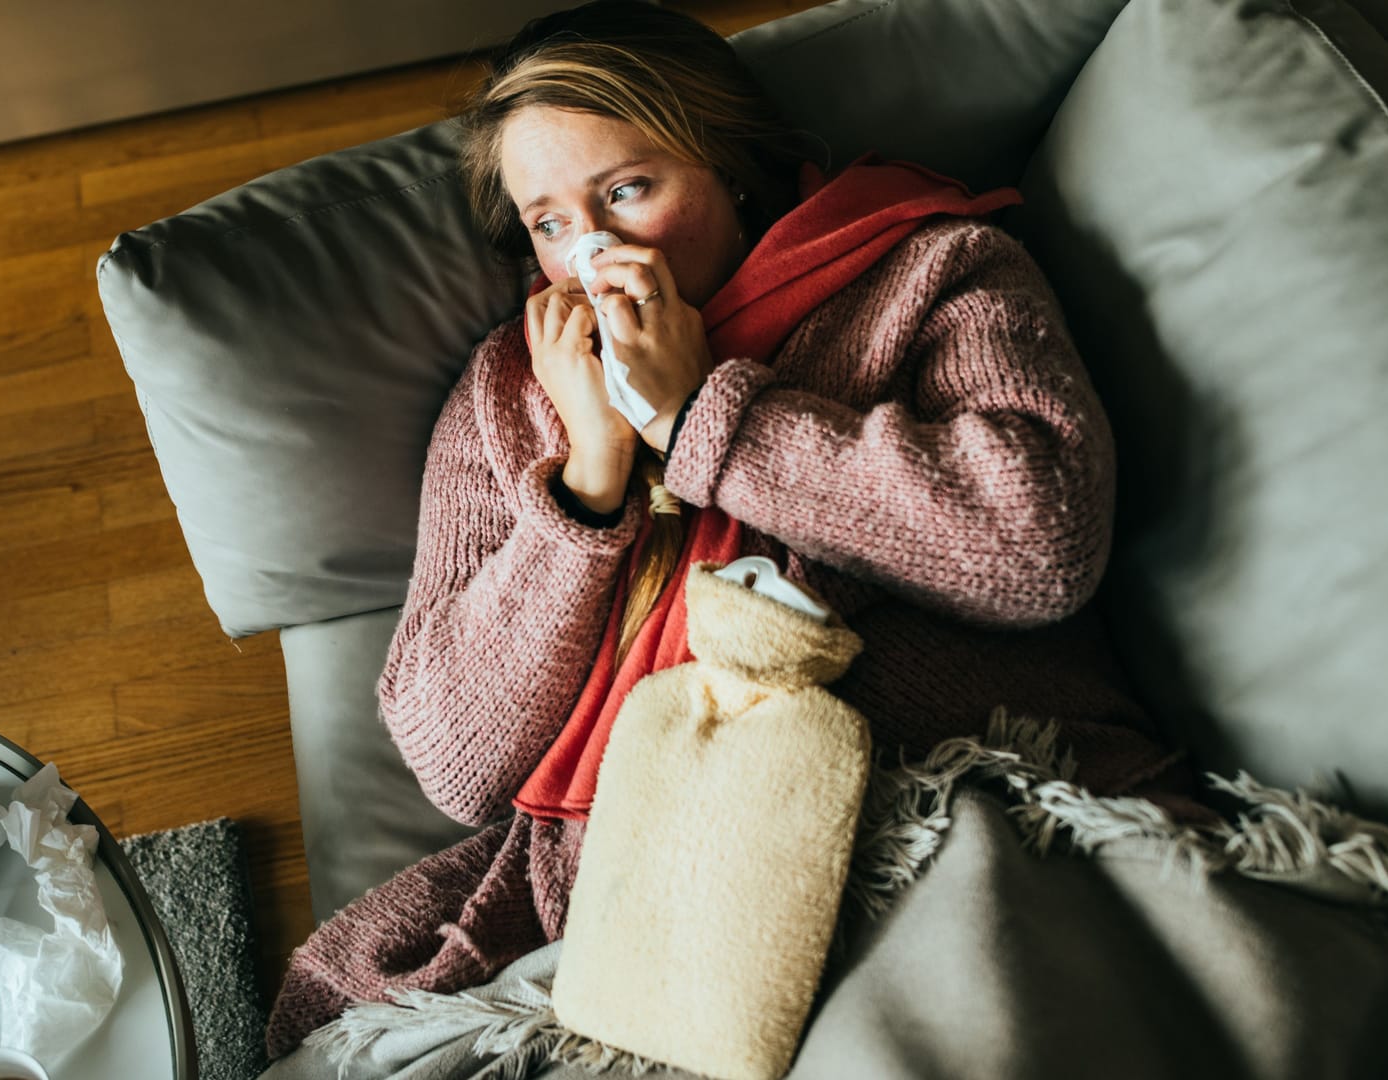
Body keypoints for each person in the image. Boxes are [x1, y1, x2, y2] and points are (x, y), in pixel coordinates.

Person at [263, 0, 1202, 1059]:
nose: (594, 251)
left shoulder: (932, 271)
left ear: (729, 166)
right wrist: (590, 476)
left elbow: (1039, 549)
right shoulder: (510, 393)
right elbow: (455, 758)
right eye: (551, 222)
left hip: (936, 806)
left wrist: (706, 417)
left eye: (627, 190)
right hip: (631, 877)